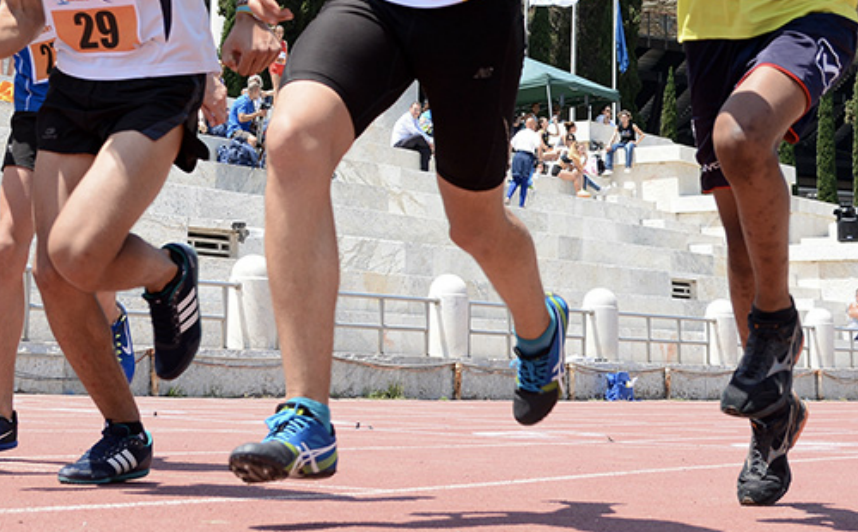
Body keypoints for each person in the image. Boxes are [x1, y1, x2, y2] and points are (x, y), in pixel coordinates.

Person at [222, 0, 570, 484]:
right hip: (373, 8)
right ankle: (307, 416)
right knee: (292, 138)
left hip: (474, 20)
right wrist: (251, 11)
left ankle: (541, 328)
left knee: (474, 225)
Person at [0, 0, 226, 484]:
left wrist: (247, 13)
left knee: (75, 253)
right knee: (52, 275)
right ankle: (125, 432)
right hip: (73, 85)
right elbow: (25, 18)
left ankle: (168, 273)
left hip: (157, 76)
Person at [679, 0, 857, 506]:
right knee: (741, 241)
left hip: (810, 10)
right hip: (709, 28)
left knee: (740, 135)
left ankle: (777, 324)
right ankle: (773, 419)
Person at [0, 22, 137, 453]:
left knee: (78, 256)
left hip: (96, 109)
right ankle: (1, 414)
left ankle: (111, 316)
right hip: (34, 112)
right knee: (5, 247)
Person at [505, 116, 543, 208]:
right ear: (533, 125)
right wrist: (540, 161)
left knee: (516, 178)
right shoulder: (534, 135)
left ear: (526, 124)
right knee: (524, 180)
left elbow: (511, 144)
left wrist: (508, 158)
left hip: (518, 155)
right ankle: (521, 203)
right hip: (527, 156)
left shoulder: (520, 133)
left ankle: (508, 196)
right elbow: (539, 147)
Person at [390, 101, 434, 171]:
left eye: (419, 110)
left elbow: (421, 131)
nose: (417, 112)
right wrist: (429, 142)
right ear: (410, 109)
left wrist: (431, 142)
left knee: (425, 149)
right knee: (418, 137)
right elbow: (415, 132)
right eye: (415, 109)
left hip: (408, 143)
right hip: (398, 143)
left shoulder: (415, 120)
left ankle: (424, 169)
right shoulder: (407, 118)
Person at [228, 77, 268, 148]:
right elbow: (241, 118)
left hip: (246, 129)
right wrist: (257, 114)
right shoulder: (243, 101)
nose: (259, 95)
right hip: (236, 130)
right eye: (259, 92)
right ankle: (249, 155)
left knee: (266, 142)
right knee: (253, 140)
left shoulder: (251, 102)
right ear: (256, 91)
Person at [604, 110, 645, 175]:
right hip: (622, 143)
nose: (623, 119)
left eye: (625, 117)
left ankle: (628, 166)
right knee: (610, 149)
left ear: (628, 118)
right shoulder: (618, 126)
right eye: (622, 118)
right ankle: (608, 168)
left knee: (628, 147)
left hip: (630, 142)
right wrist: (609, 144)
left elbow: (642, 135)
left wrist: (636, 142)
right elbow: (614, 136)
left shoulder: (632, 125)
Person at [267, 25, 288, 97]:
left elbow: (286, 55)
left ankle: (264, 93)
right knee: (276, 88)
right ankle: (276, 104)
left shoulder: (285, 43)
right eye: (278, 32)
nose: (280, 34)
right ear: (275, 33)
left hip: (282, 67)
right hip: (274, 67)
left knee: (281, 88)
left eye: (281, 32)